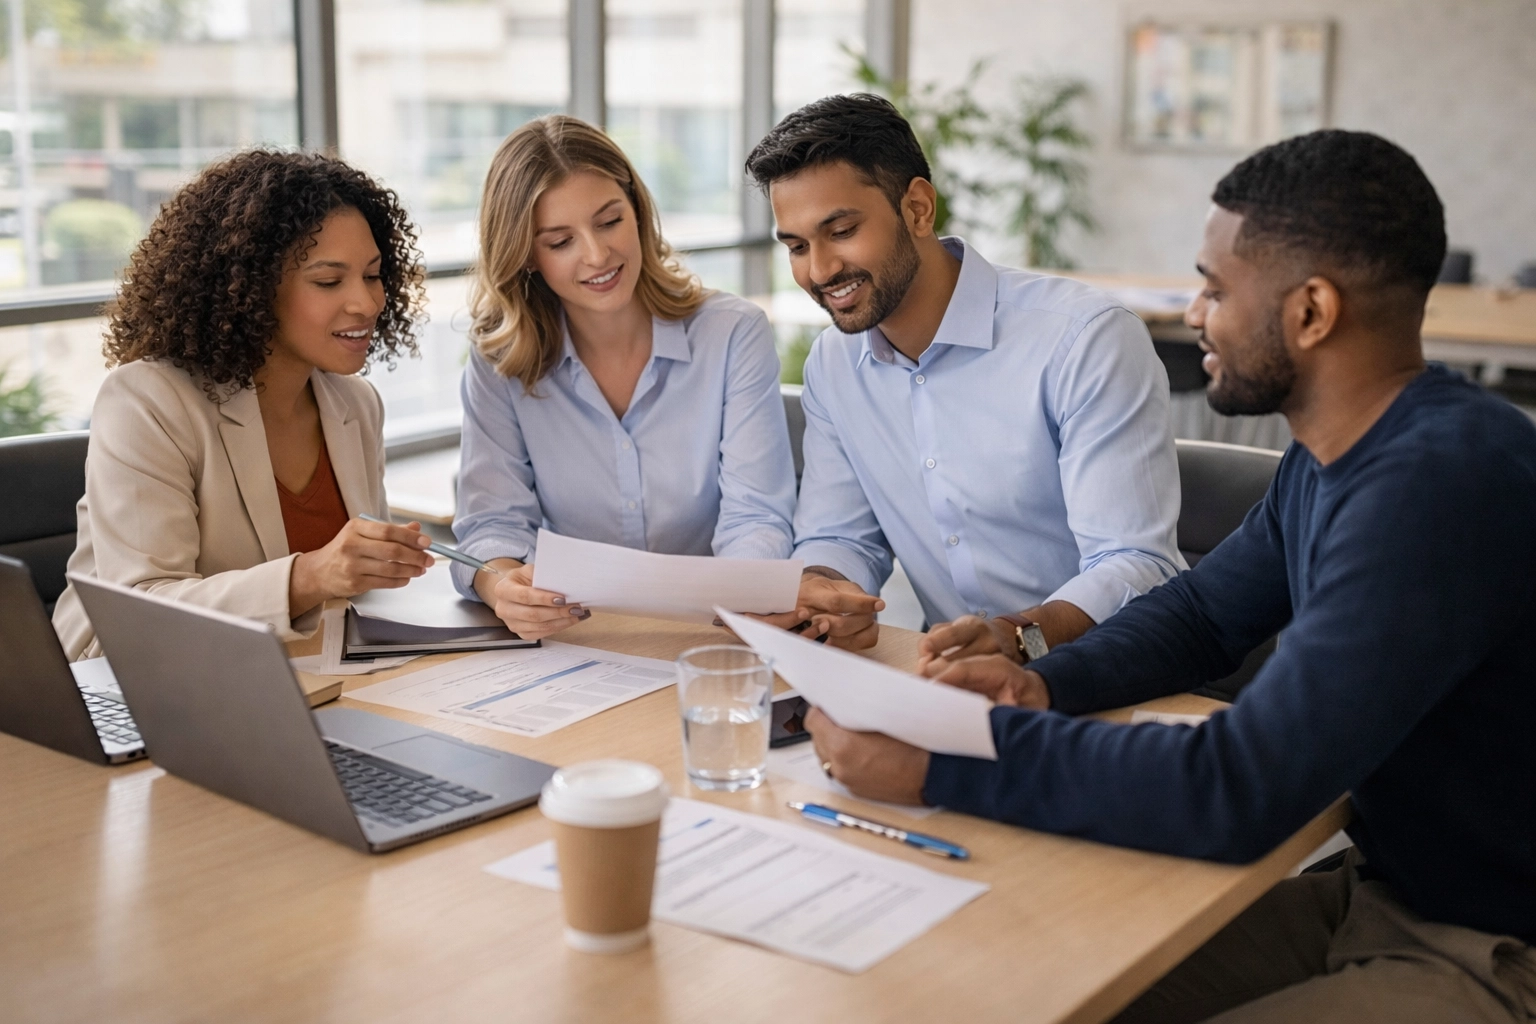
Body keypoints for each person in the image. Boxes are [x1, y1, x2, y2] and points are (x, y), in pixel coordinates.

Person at [806, 130, 1536, 1022]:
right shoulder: (1335, 454)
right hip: (1381, 896)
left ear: (1310, 312)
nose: (1195, 314)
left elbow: (1240, 784)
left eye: (1217, 288)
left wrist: (948, 766)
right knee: (1019, 985)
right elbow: (1199, 617)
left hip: (1494, 948)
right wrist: (1037, 682)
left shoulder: (1439, 485)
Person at [744, 94, 1183, 652]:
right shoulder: (834, 364)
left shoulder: (1083, 338)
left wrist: (1016, 640)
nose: (820, 270)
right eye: (798, 246)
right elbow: (840, 535)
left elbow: (1136, 564)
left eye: (842, 231)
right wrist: (824, 590)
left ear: (919, 209)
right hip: (947, 676)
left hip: (1101, 674)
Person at [53, 150, 436, 661]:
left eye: (372, 274)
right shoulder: (148, 401)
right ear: (250, 288)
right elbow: (143, 608)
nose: (367, 303)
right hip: (135, 682)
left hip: (298, 674)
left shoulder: (355, 404)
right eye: (328, 281)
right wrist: (311, 574)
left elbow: (354, 598)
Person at [452, 116, 797, 640]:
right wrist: (503, 587)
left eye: (609, 221)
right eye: (560, 240)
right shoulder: (497, 361)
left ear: (637, 211)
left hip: (713, 634)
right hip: (577, 641)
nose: (597, 255)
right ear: (525, 254)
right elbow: (491, 524)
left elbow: (756, 518)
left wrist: (744, 596)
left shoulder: (732, 334)